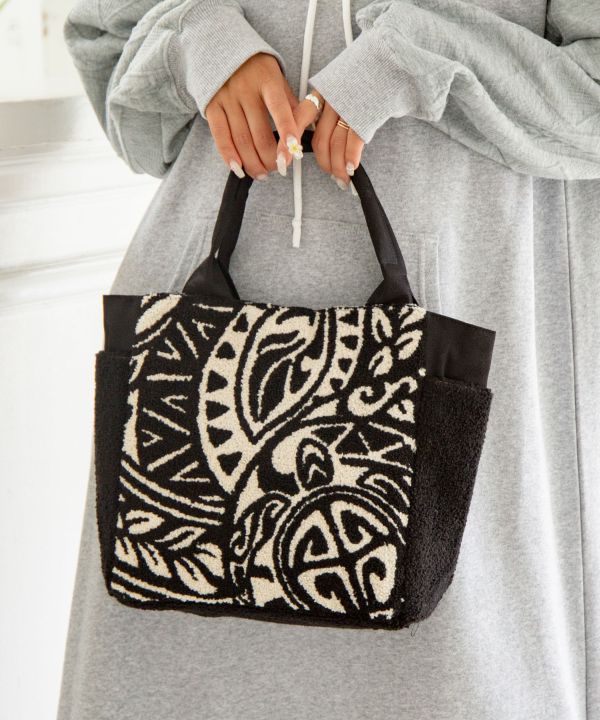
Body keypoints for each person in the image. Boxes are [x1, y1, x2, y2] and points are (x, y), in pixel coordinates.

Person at [58, 1, 600, 718]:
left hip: (458, 364)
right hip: (186, 385)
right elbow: (107, 52)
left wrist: (419, 58)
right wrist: (197, 39)